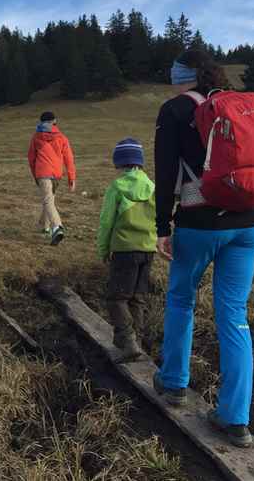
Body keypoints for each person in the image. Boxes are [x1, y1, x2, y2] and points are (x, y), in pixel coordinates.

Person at [153, 49, 254, 448]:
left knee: (182, 299)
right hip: (252, 220)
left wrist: (161, 225)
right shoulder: (242, 103)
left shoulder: (174, 111)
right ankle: (236, 418)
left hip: (200, 222)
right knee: (235, 314)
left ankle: (173, 383)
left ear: (180, 75)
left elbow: (167, 172)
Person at [97, 138, 157, 363]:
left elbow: (106, 222)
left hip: (124, 250)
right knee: (137, 298)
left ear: (119, 163)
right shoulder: (152, 186)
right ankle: (136, 342)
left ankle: (128, 340)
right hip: (148, 250)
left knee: (116, 298)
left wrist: (103, 249)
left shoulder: (117, 187)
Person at [27, 111, 76, 245]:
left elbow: (31, 159)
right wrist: (72, 178)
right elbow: (69, 159)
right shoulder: (62, 138)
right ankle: (45, 227)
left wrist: (35, 175)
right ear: (54, 121)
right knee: (49, 200)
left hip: (43, 174)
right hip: (56, 175)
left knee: (48, 201)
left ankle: (57, 227)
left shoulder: (36, 137)